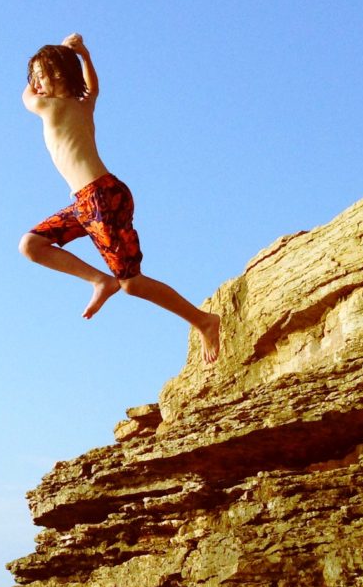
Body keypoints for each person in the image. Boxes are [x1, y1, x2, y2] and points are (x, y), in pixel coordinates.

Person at [19, 33, 221, 363]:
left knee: (132, 283)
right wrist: (82, 55)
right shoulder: (84, 106)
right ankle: (100, 280)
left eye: (41, 75)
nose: (36, 83)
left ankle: (204, 321)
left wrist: (70, 55)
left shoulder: (48, 106)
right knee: (31, 244)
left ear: (59, 77)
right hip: (89, 201)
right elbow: (93, 87)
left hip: (99, 198)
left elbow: (25, 96)